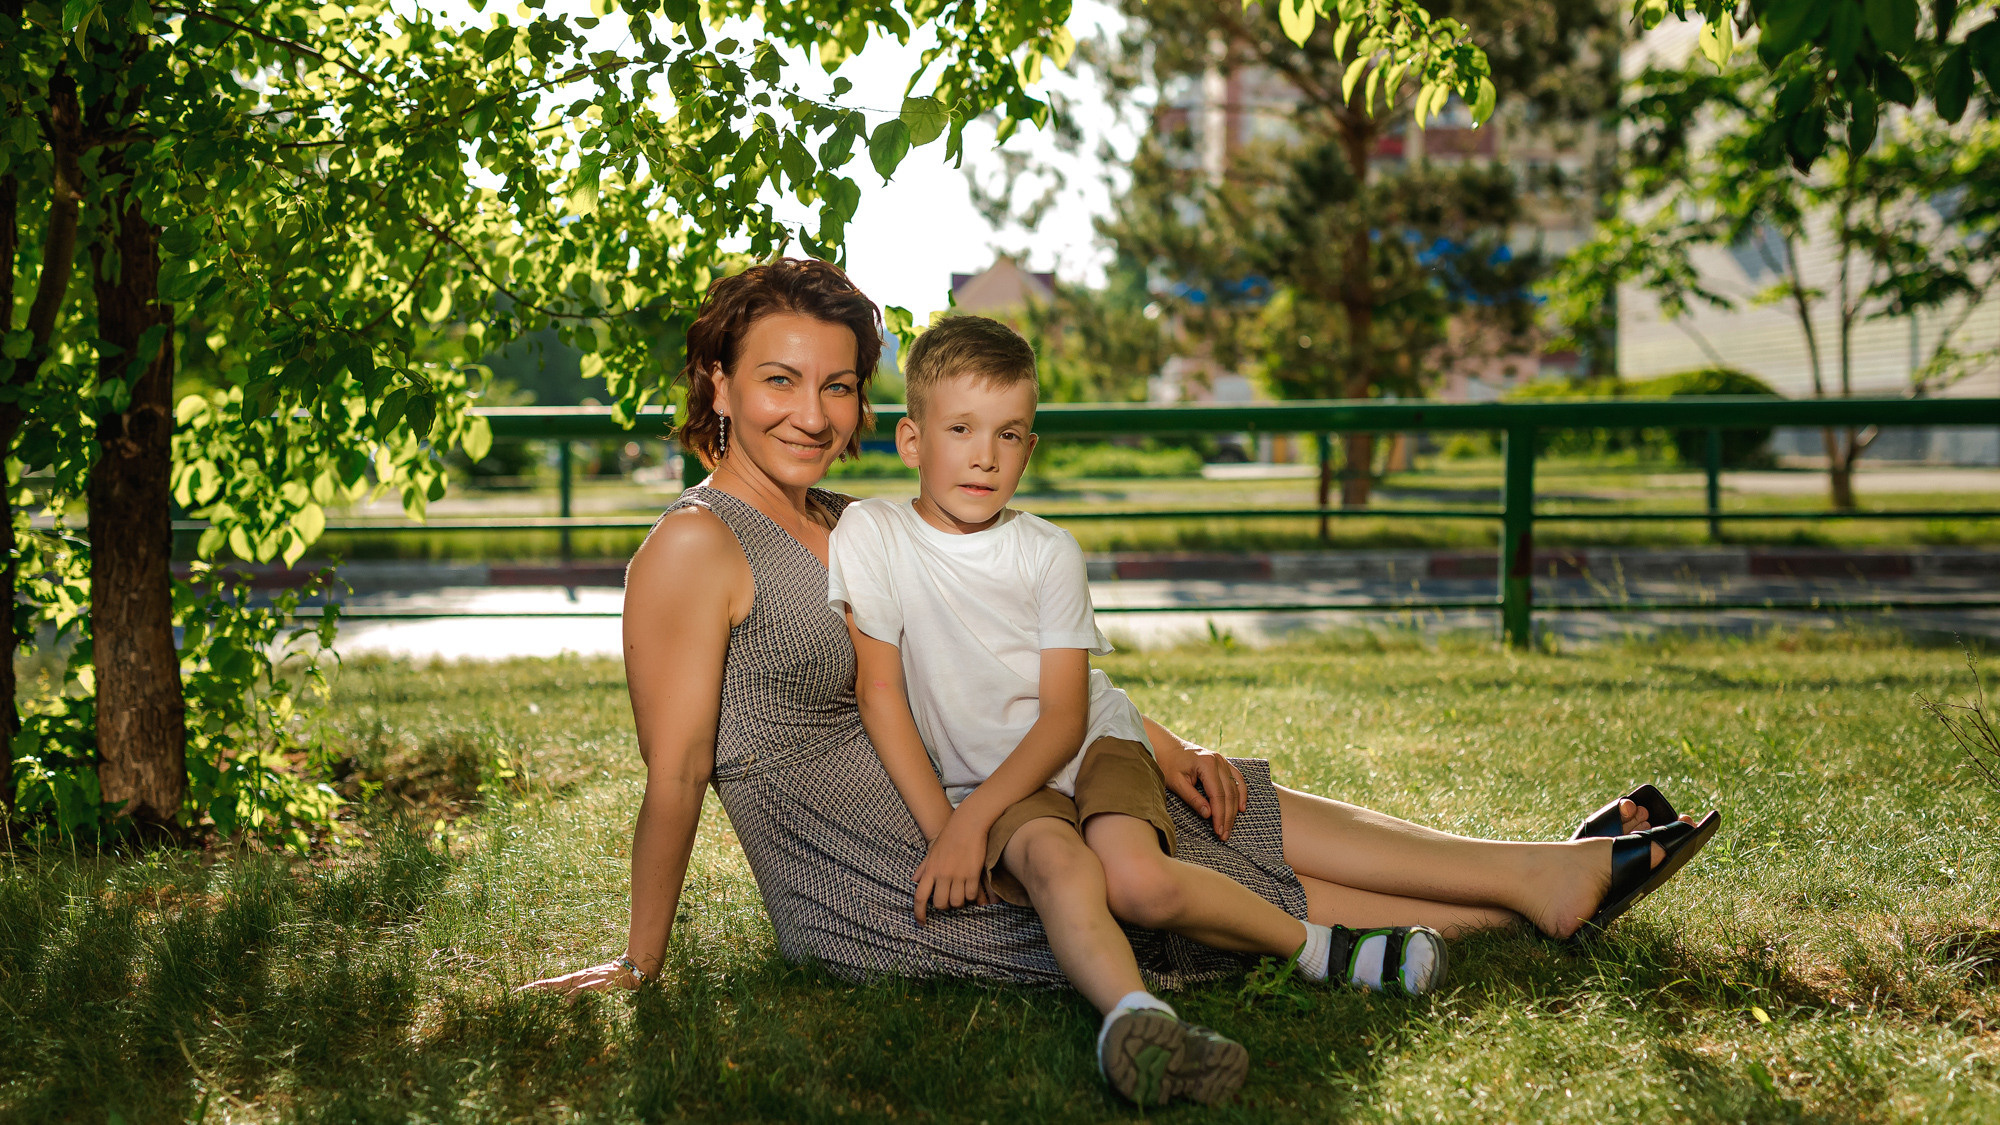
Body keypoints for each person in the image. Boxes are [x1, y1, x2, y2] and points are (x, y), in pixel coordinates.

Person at [522, 259, 1720, 1093]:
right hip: (877, 868)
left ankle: (1536, 888)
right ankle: (1535, 888)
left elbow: (997, 655)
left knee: (1200, 803)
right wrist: (642, 960)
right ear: (718, 384)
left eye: (835, 383)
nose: (810, 410)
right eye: (777, 379)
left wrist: (1159, 739)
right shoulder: (694, 545)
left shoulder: (848, 519)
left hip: (961, 790)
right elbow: (674, 774)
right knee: (1155, 870)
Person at [828, 316, 1445, 1105]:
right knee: (1055, 868)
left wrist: (968, 826)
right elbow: (878, 692)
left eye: (1010, 433)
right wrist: (948, 826)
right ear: (913, 440)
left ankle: (1328, 950)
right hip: (993, 780)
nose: (985, 454)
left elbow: (1061, 718)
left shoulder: (1048, 551)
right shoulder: (873, 532)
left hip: (1089, 742)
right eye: (962, 429)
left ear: (1031, 446)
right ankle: (1136, 1017)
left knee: (1138, 883)